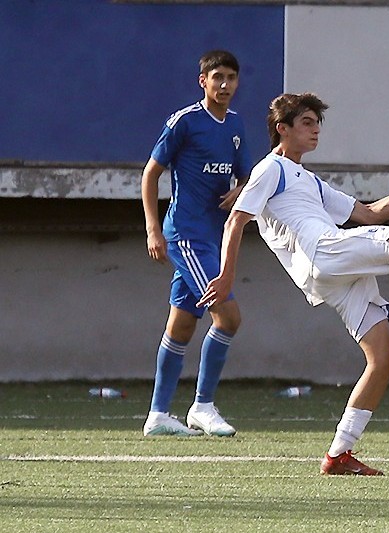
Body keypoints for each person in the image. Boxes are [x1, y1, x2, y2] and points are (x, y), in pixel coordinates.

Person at [197, 92, 389, 475]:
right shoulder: (271, 169)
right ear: (283, 129)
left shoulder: (308, 180)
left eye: (317, 124)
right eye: (307, 123)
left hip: (330, 273)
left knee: (381, 360)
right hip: (324, 252)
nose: (315, 131)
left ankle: (338, 454)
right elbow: (235, 221)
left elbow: (369, 213)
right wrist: (227, 275)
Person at [141, 50, 253, 437]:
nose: (224, 85)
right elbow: (151, 173)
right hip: (186, 235)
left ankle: (158, 414)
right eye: (217, 77)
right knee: (229, 316)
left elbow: (246, 178)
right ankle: (203, 406)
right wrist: (153, 229)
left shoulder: (236, 125)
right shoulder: (185, 122)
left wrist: (239, 191)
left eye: (231, 78)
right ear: (202, 81)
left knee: (183, 323)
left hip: (213, 236)